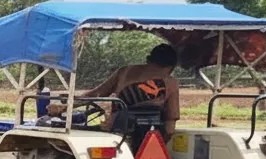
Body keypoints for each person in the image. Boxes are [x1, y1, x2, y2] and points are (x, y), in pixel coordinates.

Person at [52, 43, 182, 134]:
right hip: (153, 133)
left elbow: (96, 94)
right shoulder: (171, 83)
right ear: (172, 66)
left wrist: (67, 105)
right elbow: (171, 125)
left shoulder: (125, 71)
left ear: (148, 60)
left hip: (118, 131)